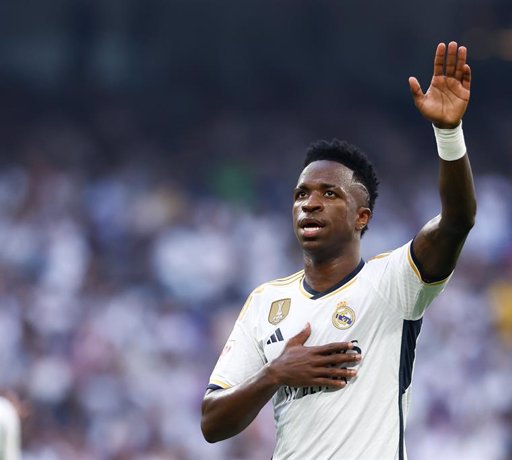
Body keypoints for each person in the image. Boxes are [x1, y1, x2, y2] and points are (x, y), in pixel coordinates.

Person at [201, 41, 476, 459]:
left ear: (362, 217)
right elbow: (211, 422)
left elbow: (457, 221)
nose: (309, 203)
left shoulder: (393, 283)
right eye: (300, 194)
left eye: (329, 193)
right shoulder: (265, 302)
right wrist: (275, 374)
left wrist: (448, 133)